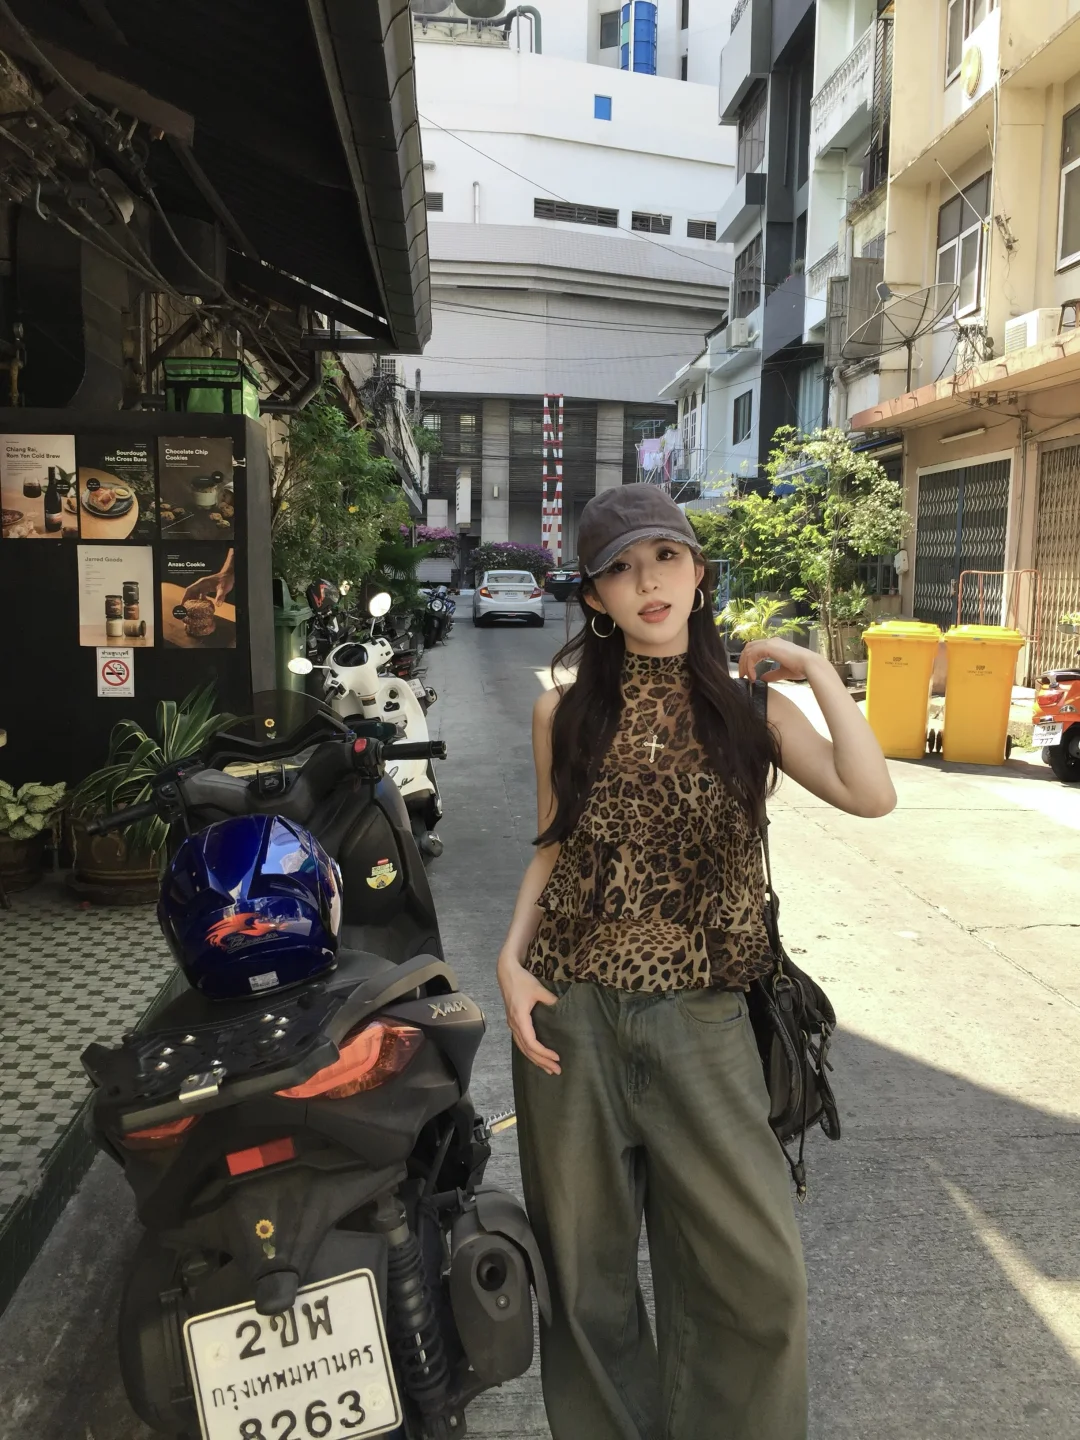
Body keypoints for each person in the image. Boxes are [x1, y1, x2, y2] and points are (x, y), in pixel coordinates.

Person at [496, 485, 895, 1440]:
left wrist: (817, 669)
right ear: (595, 597)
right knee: (585, 1276)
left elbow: (870, 792)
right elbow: (552, 849)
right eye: (621, 569)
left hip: (705, 1014)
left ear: (699, 573)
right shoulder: (562, 712)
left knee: (757, 1280)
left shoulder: (751, 708)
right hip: (571, 1014)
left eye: (665, 558)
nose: (648, 583)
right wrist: (510, 961)